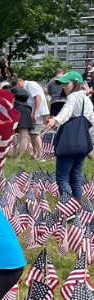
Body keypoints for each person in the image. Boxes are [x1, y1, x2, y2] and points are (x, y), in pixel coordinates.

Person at [46, 70, 94, 202]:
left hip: (68, 143)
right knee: (75, 177)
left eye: (66, 84)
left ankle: (68, 210)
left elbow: (67, 111)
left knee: (62, 178)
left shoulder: (73, 97)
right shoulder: (87, 100)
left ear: (75, 84)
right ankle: (76, 208)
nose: (63, 87)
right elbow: (92, 122)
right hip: (83, 144)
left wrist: (55, 120)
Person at [16, 76, 50, 160]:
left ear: (18, 83)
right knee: (32, 134)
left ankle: (40, 154)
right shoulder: (29, 86)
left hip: (38, 113)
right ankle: (35, 154)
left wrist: (35, 112)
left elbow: (38, 98)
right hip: (34, 113)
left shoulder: (30, 85)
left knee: (35, 133)